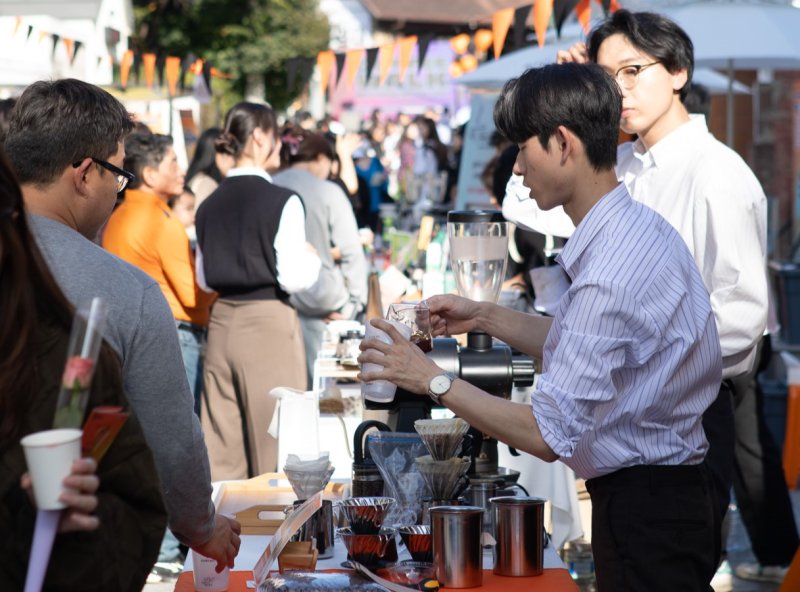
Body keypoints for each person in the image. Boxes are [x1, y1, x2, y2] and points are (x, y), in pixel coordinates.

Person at [361, 62, 722, 591]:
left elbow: (546, 433)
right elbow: (581, 345)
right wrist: (481, 314)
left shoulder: (612, 268)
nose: (518, 171)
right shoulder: (632, 229)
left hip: (651, 508)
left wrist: (430, 379)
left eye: (522, 151)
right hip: (663, 496)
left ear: (561, 143)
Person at [549, 10, 795, 587]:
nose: (619, 90)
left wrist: (656, 371)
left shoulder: (717, 173)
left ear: (678, 71)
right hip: (628, 417)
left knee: (665, 565)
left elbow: (741, 316)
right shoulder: (625, 161)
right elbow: (534, 201)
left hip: (690, 414)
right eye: (605, 77)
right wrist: (564, 110)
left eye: (633, 71)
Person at [3, 79, 240, 574]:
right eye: (118, 173)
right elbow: (169, 437)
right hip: (60, 555)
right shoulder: (121, 289)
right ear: (84, 174)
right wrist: (202, 525)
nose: (119, 190)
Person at [0, 148, 167, 590]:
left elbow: (139, 514)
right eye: (118, 172)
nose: (118, 190)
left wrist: (59, 518)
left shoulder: (64, 361)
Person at [195, 102, 321, 480]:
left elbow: (203, 279)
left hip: (221, 325)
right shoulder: (281, 200)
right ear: (260, 137)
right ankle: (282, 540)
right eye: (277, 136)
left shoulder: (207, 204)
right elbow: (293, 278)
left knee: (223, 453)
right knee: (279, 451)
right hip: (267, 322)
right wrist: (312, 258)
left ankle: (226, 537)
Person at [102, 133, 214, 418]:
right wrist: (221, 280)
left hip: (132, 334)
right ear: (150, 175)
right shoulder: (162, 222)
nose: (182, 171)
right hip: (177, 334)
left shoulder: (117, 215)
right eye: (174, 163)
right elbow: (193, 298)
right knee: (180, 425)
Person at [274, 130, 368, 387]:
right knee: (323, 391)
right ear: (319, 159)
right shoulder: (327, 191)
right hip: (323, 301)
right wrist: (354, 305)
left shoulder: (269, 184)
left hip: (277, 300)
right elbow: (352, 251)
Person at [186, 127, 233, 209]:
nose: (232, 159)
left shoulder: (196, 178)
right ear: (217, 155)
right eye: (227, 153)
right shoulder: (207, 184)